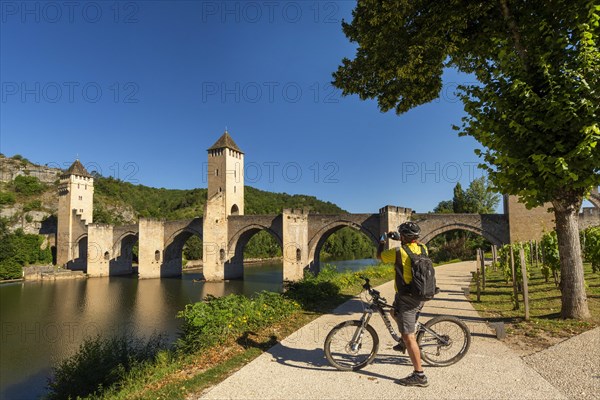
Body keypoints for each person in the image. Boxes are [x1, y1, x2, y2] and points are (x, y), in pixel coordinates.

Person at [376, 221, 429, 388]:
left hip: (408, 297)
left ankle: (419, 375)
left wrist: (383, 240)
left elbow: (379, 257)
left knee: (408, 336)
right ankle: (405, 338)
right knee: (394, 311)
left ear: (404, 237)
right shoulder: (423, 248)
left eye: (401, 235)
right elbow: (412, 246)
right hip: (419, 292)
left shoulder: (398, 252)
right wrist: (402, 238)